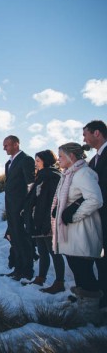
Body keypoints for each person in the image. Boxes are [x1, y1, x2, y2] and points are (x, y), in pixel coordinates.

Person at [53, 142, 103, 300]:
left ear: (71, 156)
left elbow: (95, 199)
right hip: (71, 232)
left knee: (84, 271)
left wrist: (74, 216)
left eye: (60, 156)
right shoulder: (68, 174)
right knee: (77, 269)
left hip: (82, 230)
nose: (58, 159)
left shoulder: (83, 173)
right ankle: (82, 301)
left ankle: (91, 311)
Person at [21, 149, 65, 293]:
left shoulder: (52, 176)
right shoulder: (41, 176)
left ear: (46, 161)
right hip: (37, 220)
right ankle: (41, 277)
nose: (36, 164)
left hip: (47, 221)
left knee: (54, 252)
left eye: (38, 161)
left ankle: (59, 282)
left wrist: (48, 221)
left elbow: (52, 201)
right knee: (42, 251)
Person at [3, 136, 36, 281]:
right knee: (15, 239)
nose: (4, 148)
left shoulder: (26, 159)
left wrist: (26, 207)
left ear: (16, 144)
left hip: (21, 208)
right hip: (10, 208)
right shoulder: (8, 163)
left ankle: (27, 271)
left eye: (7, 145)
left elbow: (31, 185)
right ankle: (18, 269)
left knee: (23, 239)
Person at [83, 120, 107, 308]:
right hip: (99, 215)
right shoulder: (93, 161)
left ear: (96, 133)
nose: (84, 138)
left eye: (85, 134)